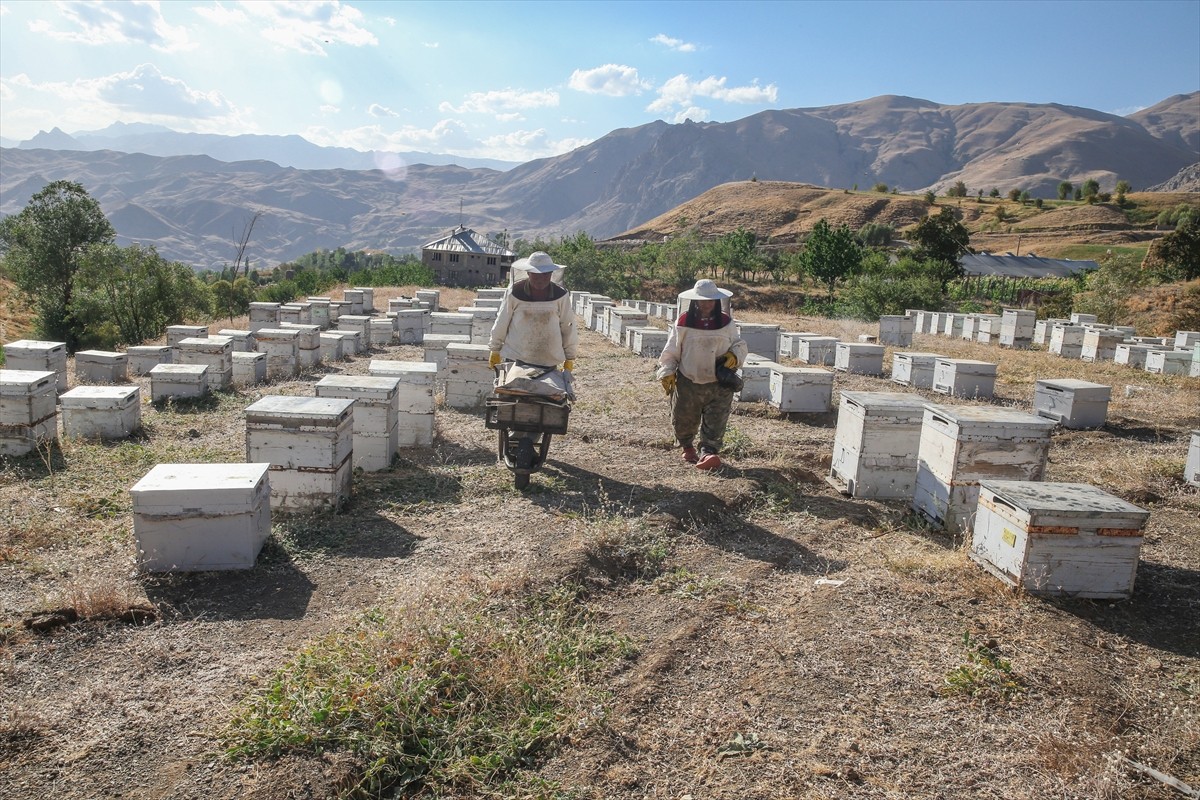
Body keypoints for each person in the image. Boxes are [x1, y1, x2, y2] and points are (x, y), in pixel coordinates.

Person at [656, 279, 748, 470]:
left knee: (717, 418)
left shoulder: (726, 323)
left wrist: (734, 356)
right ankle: (687, 446)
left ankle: (709, 452)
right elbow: (672, 350)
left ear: (716, 302)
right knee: (684, 417)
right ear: (694, 302)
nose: (706, 304)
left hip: (719, 381)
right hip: (689, 379)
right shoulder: (683, 323)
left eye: (710, 300)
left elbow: (738, 344)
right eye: (702, 300)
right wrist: (667, 371)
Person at [488, 251, 578, 374]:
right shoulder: (514, 292)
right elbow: (502, 321)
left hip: (548, 360)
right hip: (516, 357)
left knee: (546, 392)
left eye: (545, 274)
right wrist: (495, 349)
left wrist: (570, 357)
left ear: (551, 274)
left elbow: (568, 326)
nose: (540, 279)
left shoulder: (561, 295)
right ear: (528, 273)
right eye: (536, 274)